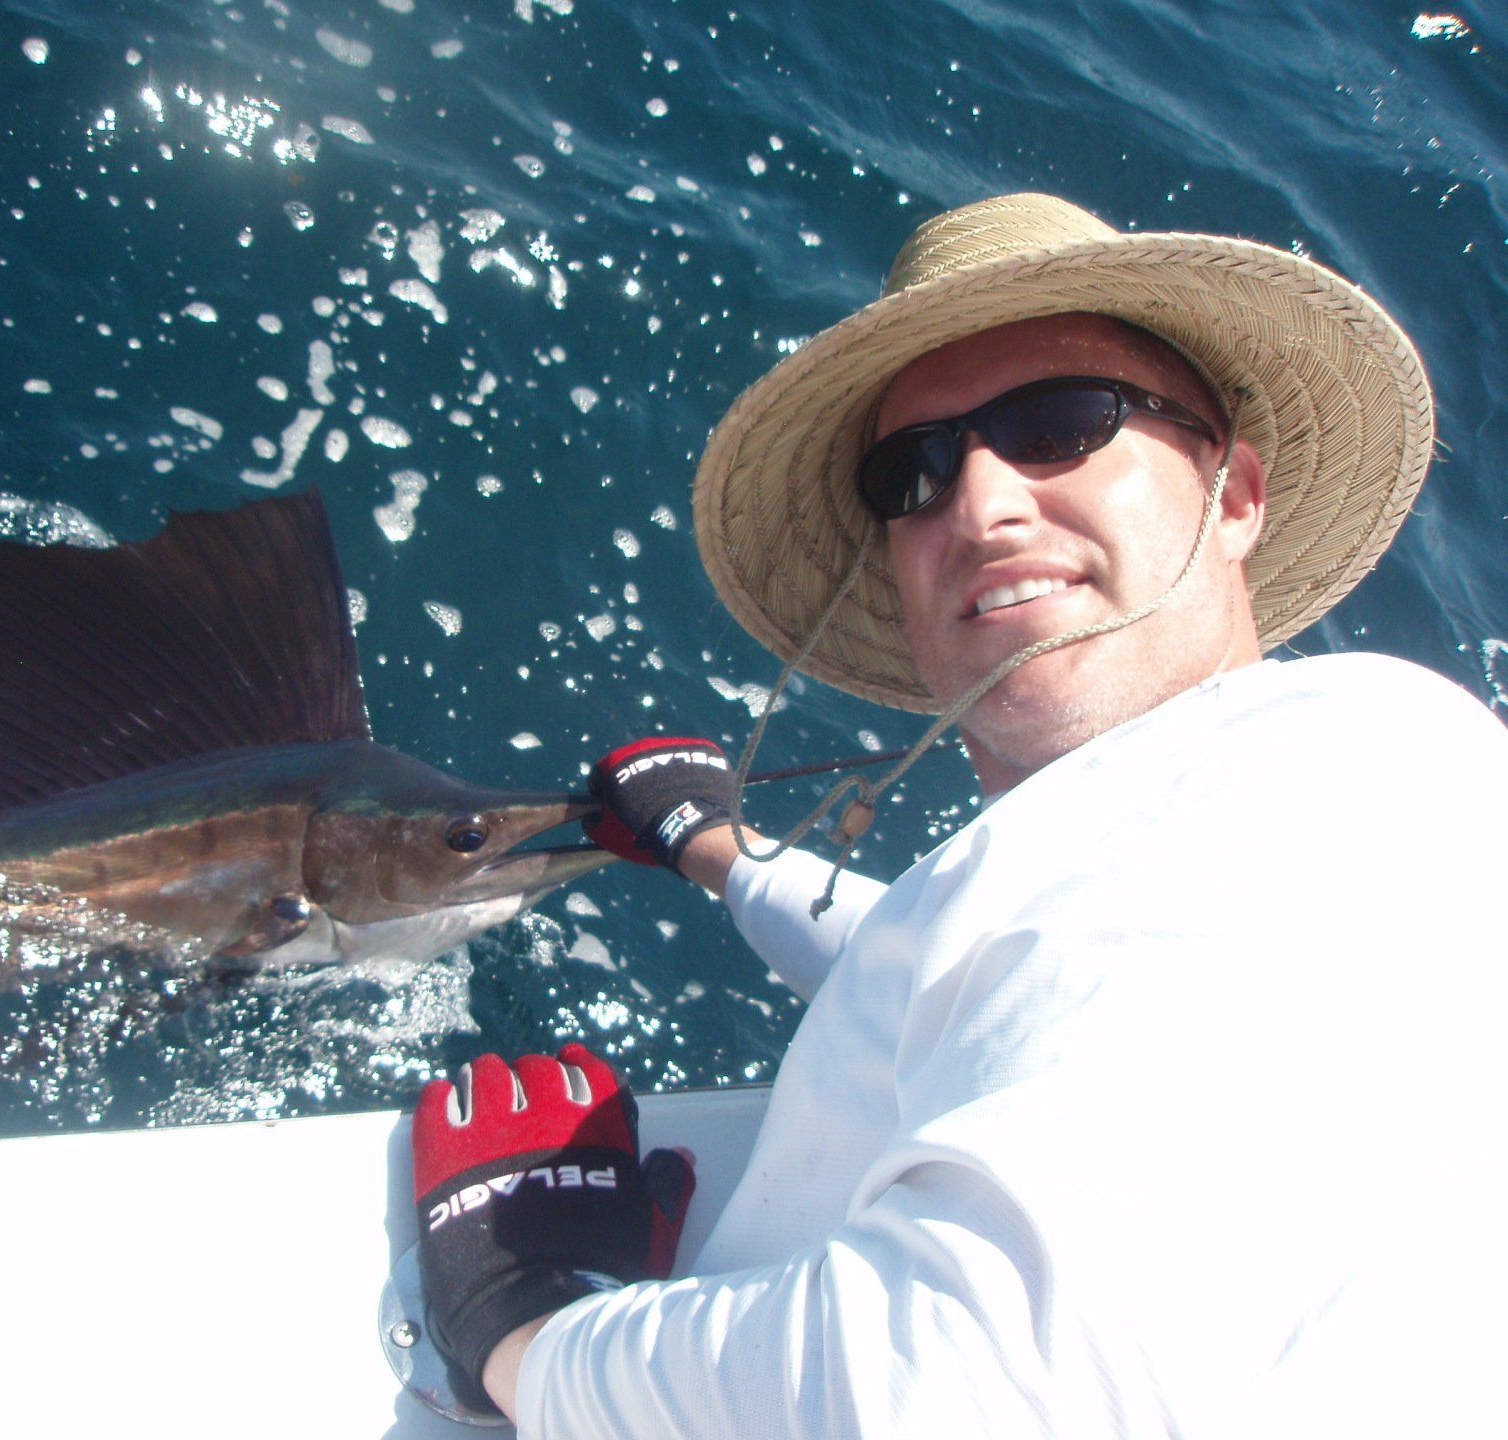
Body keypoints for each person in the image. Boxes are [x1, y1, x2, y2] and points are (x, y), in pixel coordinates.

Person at [411, 192, 1508, 1436]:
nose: (978, 503)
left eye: (1059, 425)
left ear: (1237, 493)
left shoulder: (1347, 759)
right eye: (914, 472)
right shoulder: (1191, 826)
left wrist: (523, 1324)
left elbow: (952, 1395)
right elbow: (971, 966)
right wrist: (715, 851)